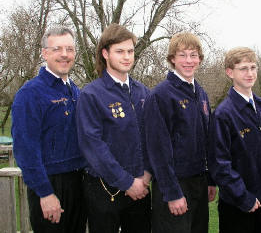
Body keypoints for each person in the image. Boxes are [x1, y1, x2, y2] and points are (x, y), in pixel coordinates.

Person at [76, 23, 151, 233]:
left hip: (141, 186)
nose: (127, 57)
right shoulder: (91, 95)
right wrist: (127, 182)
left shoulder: (144, 93)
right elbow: (93, 147)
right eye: (120, 51)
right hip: (103, 188)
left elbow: (152, 138)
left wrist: (146, 174)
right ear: (105, 53)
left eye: (130, 51)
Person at [11, 26, 87, 233]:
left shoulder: (76, 92)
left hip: (78, 182)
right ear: (45, 53)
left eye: (70, 49)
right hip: (50, 185)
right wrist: (45, 193)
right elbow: (25, 149)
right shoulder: (31, 94)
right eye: (57, 49)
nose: (65, 55)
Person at [144, 32, 216, 233]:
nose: (188, 60)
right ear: (172, 59)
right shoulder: (160, 95)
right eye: (182, 55)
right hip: (174, 187)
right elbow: (158, 151)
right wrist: (172, 193)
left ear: (200, 59)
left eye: (193, 55)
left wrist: (210, 180)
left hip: (199, 183)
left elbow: (207, 140)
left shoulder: (200, 93)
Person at [208, 47, 261, 233]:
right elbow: (220, 164)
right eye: (243, 68)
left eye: (253, 67)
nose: (250, 73)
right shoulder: (223, 114)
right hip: (237, 204)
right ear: (230, 72)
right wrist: (244, 198)